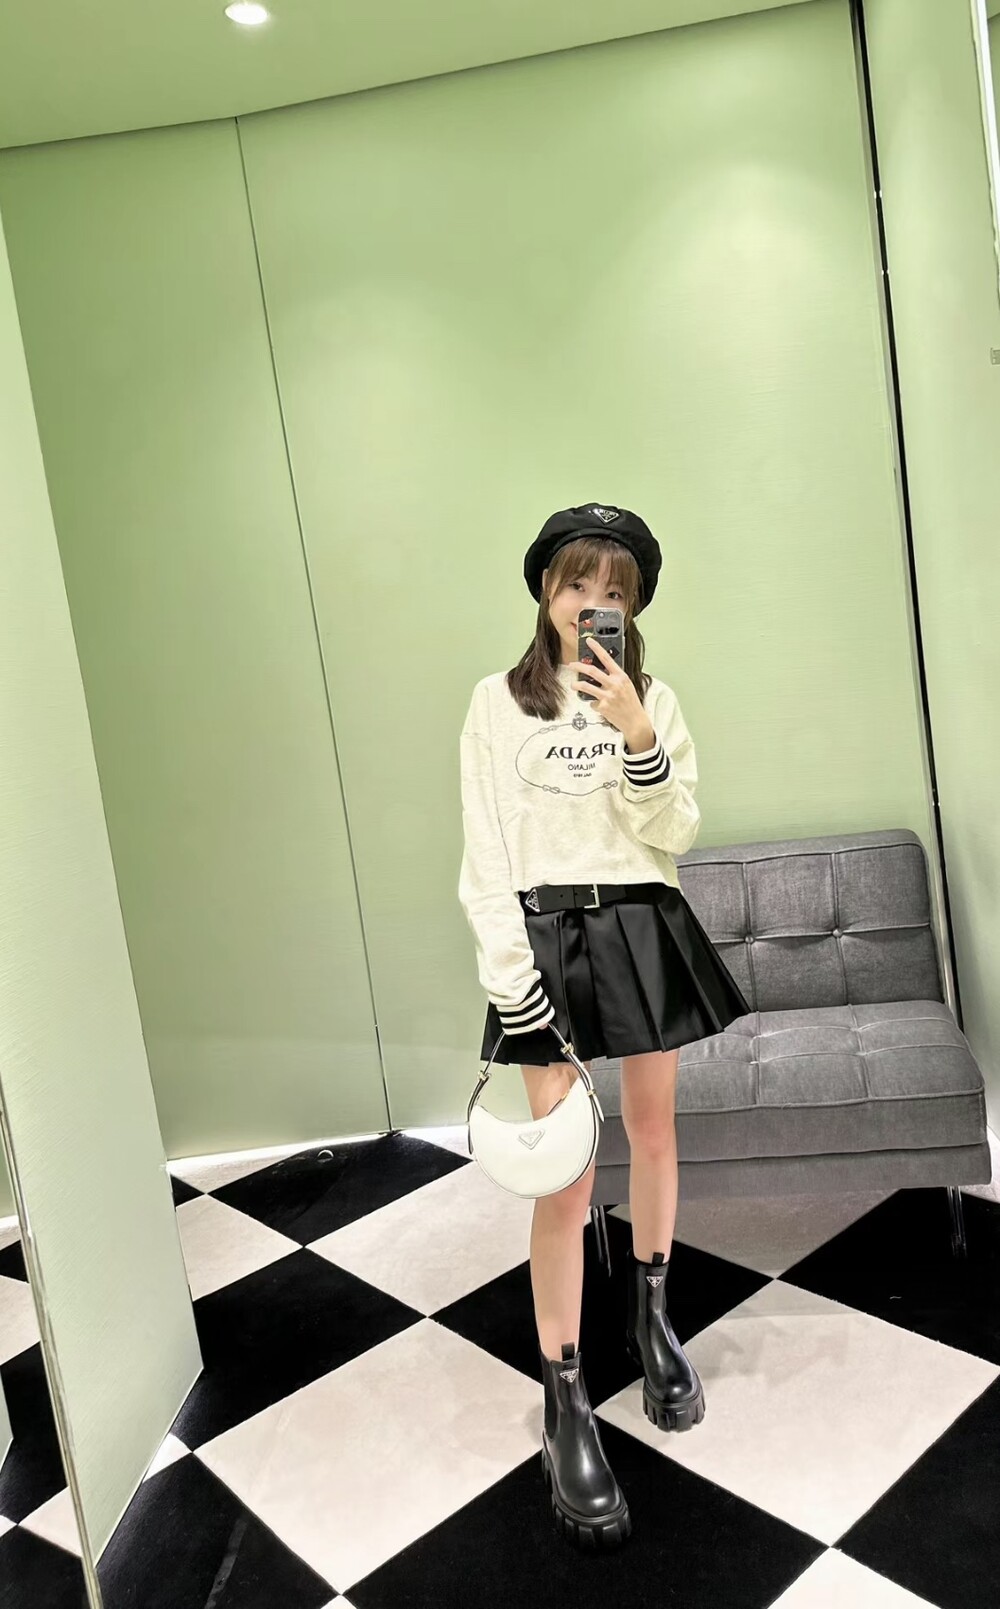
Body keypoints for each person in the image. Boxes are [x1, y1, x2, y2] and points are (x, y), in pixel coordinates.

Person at [457, 502, 751, 1551]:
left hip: (638, 920)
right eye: (578, 583)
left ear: (631, 607)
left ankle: (652, 1314)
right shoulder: (495, 704)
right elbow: (485, 857)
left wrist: (633, 731)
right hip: (544, 936)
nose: (593, 603)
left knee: (655, 1132)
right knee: (566, 1175)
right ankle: (565, 1393)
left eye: (614, 590)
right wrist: (512, 982)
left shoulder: (652, 699)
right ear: (546, 590)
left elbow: (676, 829)